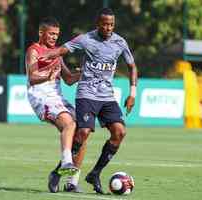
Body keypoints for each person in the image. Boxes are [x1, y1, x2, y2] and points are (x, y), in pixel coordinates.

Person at [41, 8, 138, 194]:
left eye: (111, 24)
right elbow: (62, 50)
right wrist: (45, 56)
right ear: (98, 24)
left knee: (120, 132)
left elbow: (132, 66)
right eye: (105, 24)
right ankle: (57, 172)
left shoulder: (120, 42)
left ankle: (95, 173)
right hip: (86, 94)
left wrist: (132, 93)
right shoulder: (86, 39)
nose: (108, 28)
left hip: (107, 97)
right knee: (83, 132)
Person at [25, 17, 81, 193]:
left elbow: (69, 80)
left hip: (57, 97)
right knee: (69, 124)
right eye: (51, 34)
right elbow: (32, 78)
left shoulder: (57, 52)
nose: (54, 37)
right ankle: (66, 162)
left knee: (83, 130)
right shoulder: (34, 50)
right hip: (41, 96)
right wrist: (47, 76)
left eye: (56, 34)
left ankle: (67, 179)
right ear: (41, 33)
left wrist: (82, 73)